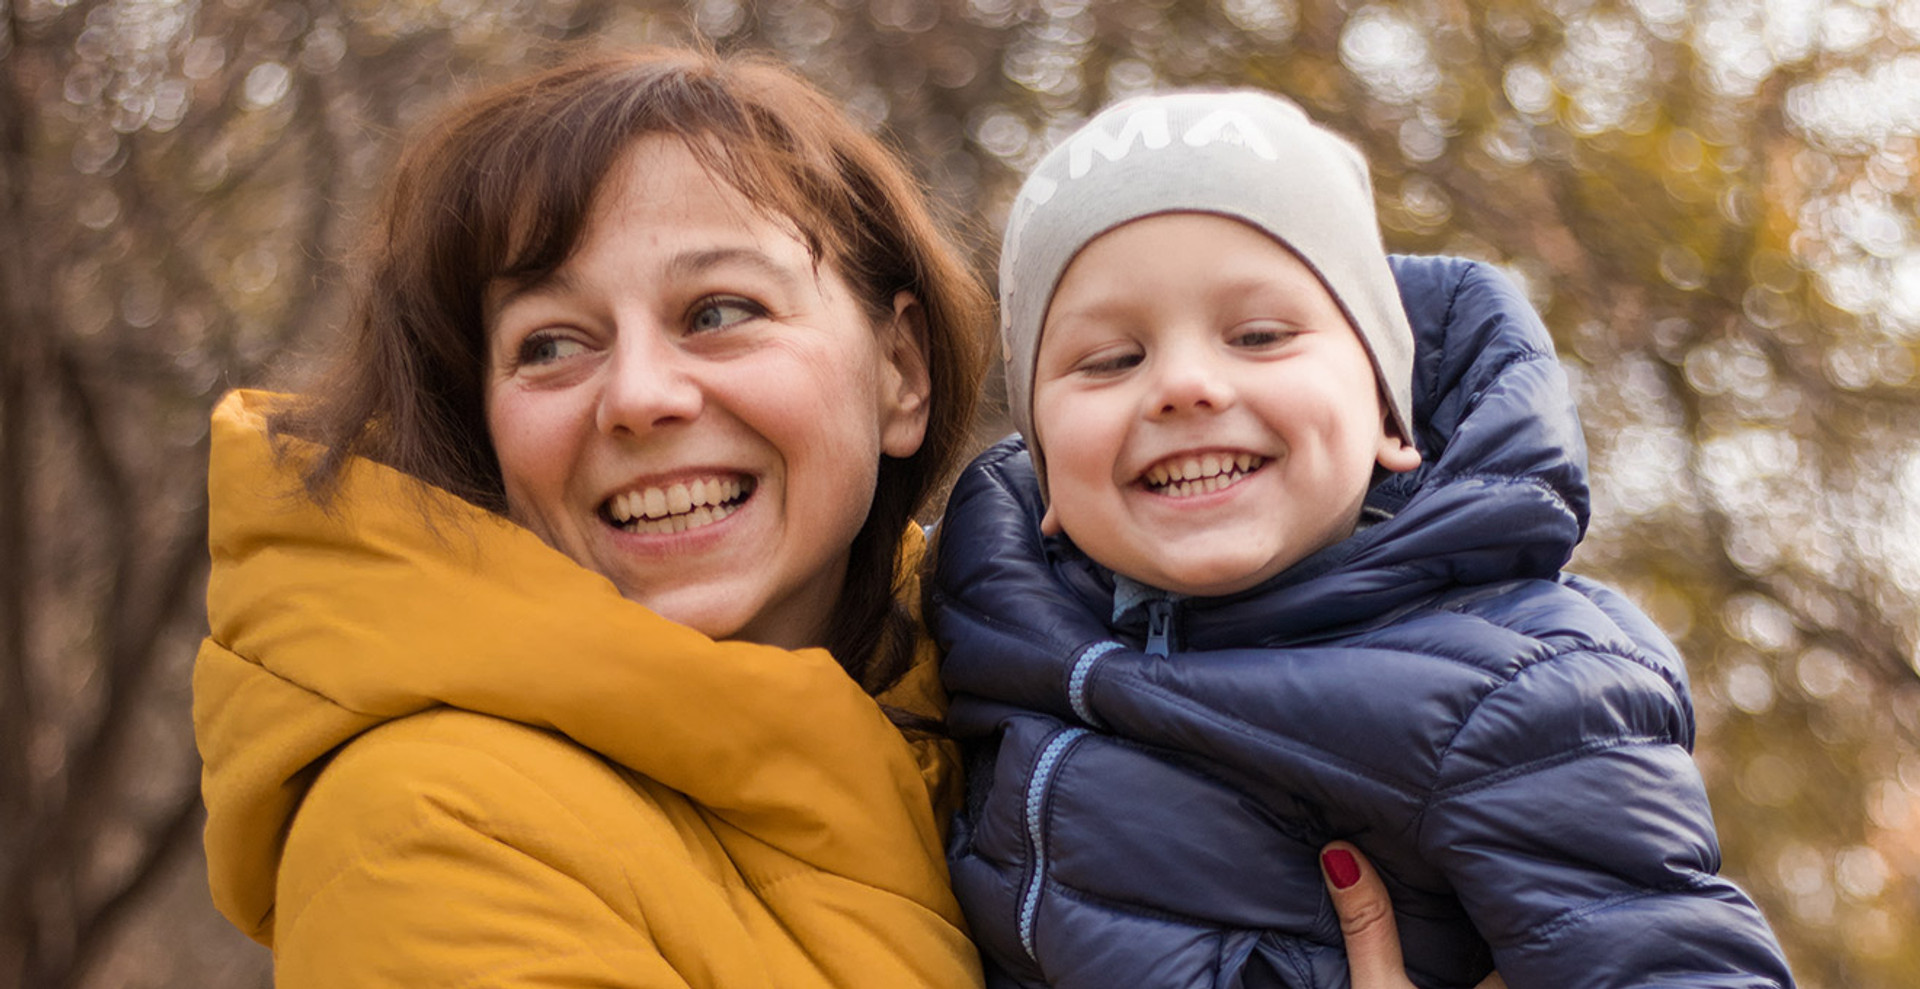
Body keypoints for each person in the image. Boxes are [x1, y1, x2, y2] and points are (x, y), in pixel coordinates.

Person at [930, 91, 1796, 988]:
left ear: (1388, 409)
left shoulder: (1509, 690)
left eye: (1259, 335)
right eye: (1112, 359)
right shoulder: (978, 629)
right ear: (1045, 469)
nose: (1183, 384)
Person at [192, 48, 997, 987]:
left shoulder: (1048, 704)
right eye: (551, 343)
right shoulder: (430, 825)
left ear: (901, 369)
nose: (639, 395)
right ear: (478, 426)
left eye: (719, 310)